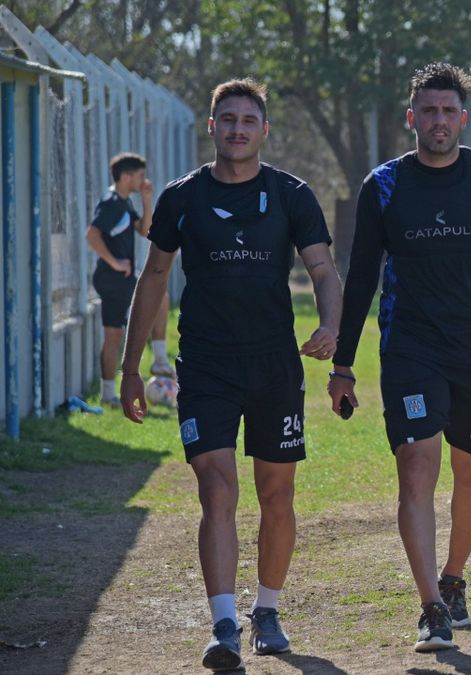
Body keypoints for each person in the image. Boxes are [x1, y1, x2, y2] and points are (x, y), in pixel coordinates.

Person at [119, 78, 342, 671]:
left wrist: (332, 325)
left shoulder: (292, 195)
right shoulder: (179, 198)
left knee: (276, 493)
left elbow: (322, 269)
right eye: (228, 119)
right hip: (208, 366)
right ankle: (224, 627)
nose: (238, 129)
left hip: (273, 366)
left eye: (249, 120)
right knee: (215, 490)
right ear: (211, 126)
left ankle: (267, 611)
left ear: (264, 131)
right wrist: (131, 367)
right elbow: (155, 279)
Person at [328, 62, 471, 652]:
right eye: (428, 111)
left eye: (448, 111)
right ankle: (430, 606)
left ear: (463, 118)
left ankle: (453, 578)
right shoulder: (384, 185)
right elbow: (361, 280)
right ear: (412, 118)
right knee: (418, 464)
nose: (439, 121)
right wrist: (344, 364)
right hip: (411, 348)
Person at [86, 153, 175, 407]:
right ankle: (109, 392)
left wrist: (147, 201)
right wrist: (115, 262)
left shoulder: (124, 202)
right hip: (112, 278)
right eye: (139, 176)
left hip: (121, 277)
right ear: (126, 177)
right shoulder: (111, 202)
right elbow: (92, 235)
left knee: (158, 301)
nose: (143, 180)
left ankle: (155, 361)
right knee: (115, 334)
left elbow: (146, 231)